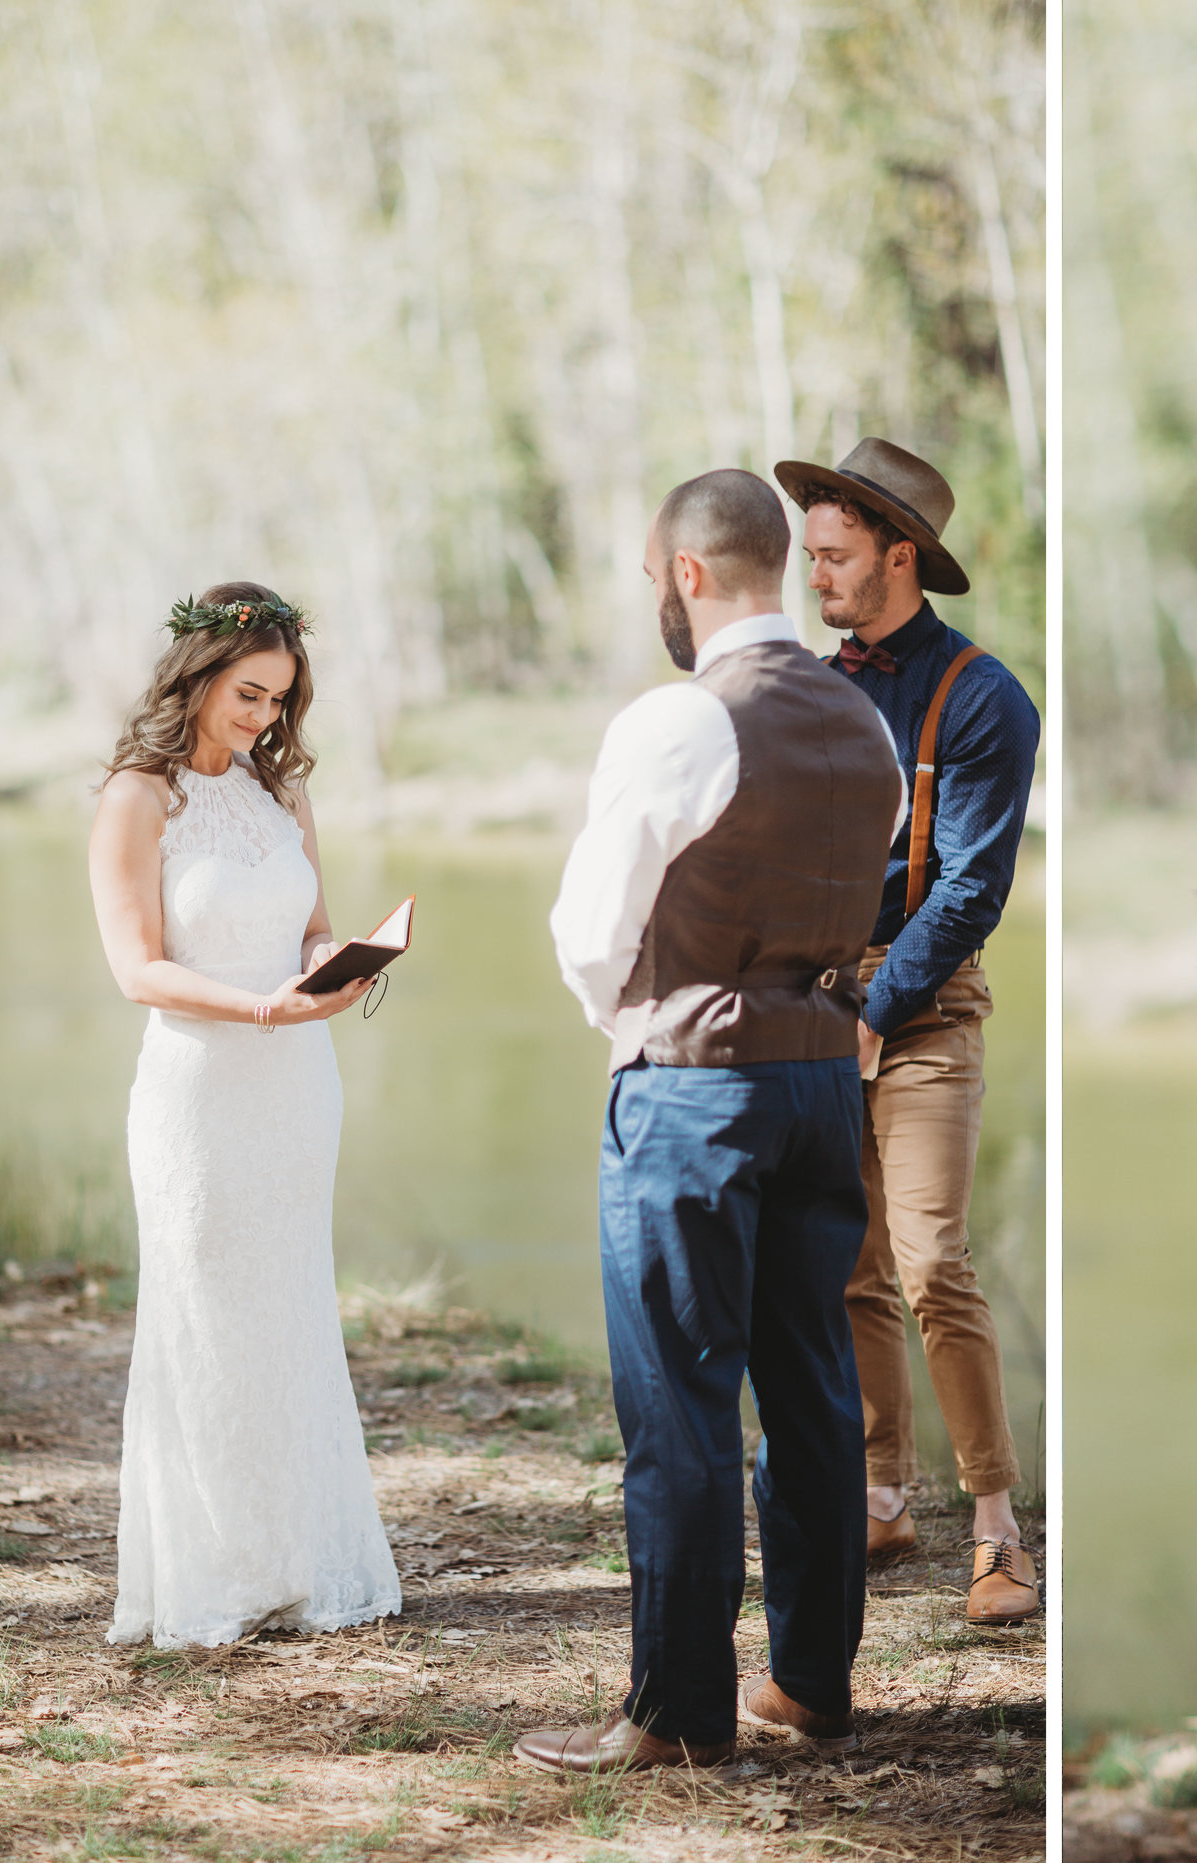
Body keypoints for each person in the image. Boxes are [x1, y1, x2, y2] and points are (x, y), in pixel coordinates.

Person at [521, 469, 904, 1774]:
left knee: (679, 1400)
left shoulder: (678, 720)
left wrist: (638, 1025)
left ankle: (679, 1708)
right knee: (812, 1381)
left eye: (653, 582)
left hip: (695, 1084)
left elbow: (590, 932)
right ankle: (809, 1683)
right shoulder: (864, 721)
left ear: (689, 572)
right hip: (818, 1084)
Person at [86, 583, 399, 1649]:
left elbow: (309, 927)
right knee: (204, 1315)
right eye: (249, 692)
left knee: (289, 1305)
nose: (263, 717)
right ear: (199, 673)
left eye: (279, 699)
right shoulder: (139, 797)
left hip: (297, 1088)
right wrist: (259, 1006)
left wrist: (336, 965)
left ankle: (296, 1560)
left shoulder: (282, 796)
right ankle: (210, 1574)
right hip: (200, 1095)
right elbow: (137, 969)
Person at [776, 439, 1043, 1626]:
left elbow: (970, 892)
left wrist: (875, 1015)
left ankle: (996, 1528)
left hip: (923, 1007)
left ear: (901, 557)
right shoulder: (808, 681)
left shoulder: (985, 698)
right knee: (848, 1269)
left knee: (934, 1261)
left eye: (832, 557)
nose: (813, 575)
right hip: (811, 1000)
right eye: (807, 554)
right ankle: (883, 1495)